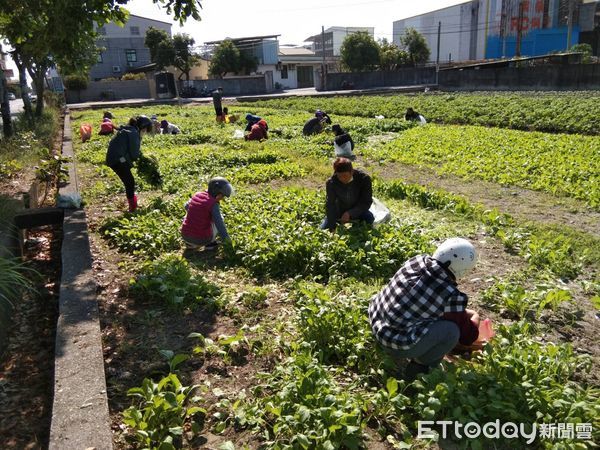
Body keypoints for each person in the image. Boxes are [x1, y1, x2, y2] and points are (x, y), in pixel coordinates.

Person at [368, 237, 480, 381]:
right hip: (394, 343)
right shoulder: (451, 295)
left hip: (376, 319)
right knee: (451, 331)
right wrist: (475, 317)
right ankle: (419, 370)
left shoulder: (417, 260)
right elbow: (468, 337)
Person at [105, 115, 153, 212]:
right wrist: (141, 158)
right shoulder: (133, 133)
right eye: (144, 130)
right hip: (117, 160)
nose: (144, 133)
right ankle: (133, 207)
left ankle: (133, 205)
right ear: (141, 127)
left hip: (114, 158)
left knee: (129, 180)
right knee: (130, 182)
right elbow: (134, 154)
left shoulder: (128, 129)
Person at [320, 157, 373, 231]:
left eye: (345, 176)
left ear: (352, 172)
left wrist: (350, 213)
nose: (342, 179)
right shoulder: (332, 182)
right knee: (324, 229)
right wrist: (332, 226)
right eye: (339, 176)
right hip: (339, 211)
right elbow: (330, 204)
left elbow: (366, 201)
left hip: (357, 210)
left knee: (369, 218)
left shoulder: (364, 179)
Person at [181, 177, 233, 250]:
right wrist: (227, 240)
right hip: (203, 239)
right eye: (222, 195)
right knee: (220, 218)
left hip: (186, 236)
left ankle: (191, 244)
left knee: (188, 215)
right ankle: (210, 244)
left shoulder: (197, 195)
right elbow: (219, 224)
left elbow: (186, 206)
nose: (222, 198)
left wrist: (198, 214)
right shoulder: (213, 204)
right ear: (217, 194)